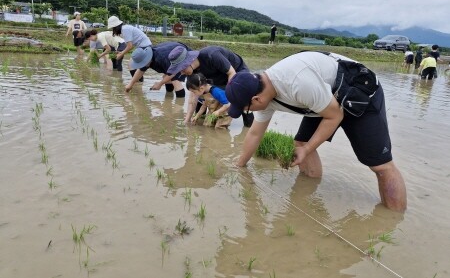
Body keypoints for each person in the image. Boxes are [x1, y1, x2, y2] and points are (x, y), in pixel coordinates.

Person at [224, 50, 407, 212]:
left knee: (380, 165)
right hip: (326, 98)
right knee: (301, 143)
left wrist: (307, 149)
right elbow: (255, 133)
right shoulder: (263, 95)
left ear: (255, 100)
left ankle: (394, 220)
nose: (248, 113)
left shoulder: (296, 82)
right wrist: (240, 165)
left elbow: (334, 116)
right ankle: (308, 191)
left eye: (246, 109)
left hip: (359, 91)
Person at [167, 45, 253, 126]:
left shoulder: (211, 55)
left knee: (241, 102)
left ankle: (248, 126)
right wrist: (187, 119)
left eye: (181, 68)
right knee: (211, 99)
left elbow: (231, 73)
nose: (181, 73)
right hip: (218, 78)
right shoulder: (191, 72)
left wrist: (229, 100)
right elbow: (193, 95)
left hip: (237, 73)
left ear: (188, 62)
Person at [124, 41, 191, 98]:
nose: (142, 65)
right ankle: (169, 99)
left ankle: (179, 106)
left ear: (147, 59)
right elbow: (140, 71)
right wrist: (130, 85)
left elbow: (172, 73)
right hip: (171, 56)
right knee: (166, 77)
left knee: (175, 81)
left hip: (183, 56)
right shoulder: (147, 57)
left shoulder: (161, 58)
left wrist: (160, 84)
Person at [107, 15, 152, 86]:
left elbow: (130, 46)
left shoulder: (125, 30)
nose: (113, 30)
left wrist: (121, 54)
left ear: (116, 27)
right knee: (134, 66)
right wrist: (121, 52)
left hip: (144, 47)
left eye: (113, 28)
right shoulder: (125, 28)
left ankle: (138, 83)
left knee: (131, 65)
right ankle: (139, 83)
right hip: (144, 47)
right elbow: (131, 45)